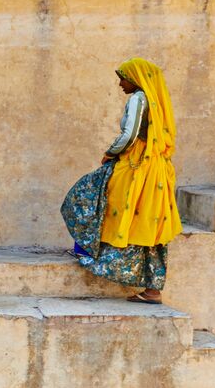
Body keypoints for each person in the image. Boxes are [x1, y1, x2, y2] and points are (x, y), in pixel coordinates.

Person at [61, 58, 181, 303]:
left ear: (134, 79)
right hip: (154, 168)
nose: (119, 84)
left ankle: (88, 251)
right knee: (147, 223)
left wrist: (111, 152)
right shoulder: (155, 101)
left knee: (88, 196)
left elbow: (130, 134)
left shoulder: (138, 98)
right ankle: (152, 290)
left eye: (122, 77)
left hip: (136, 165)